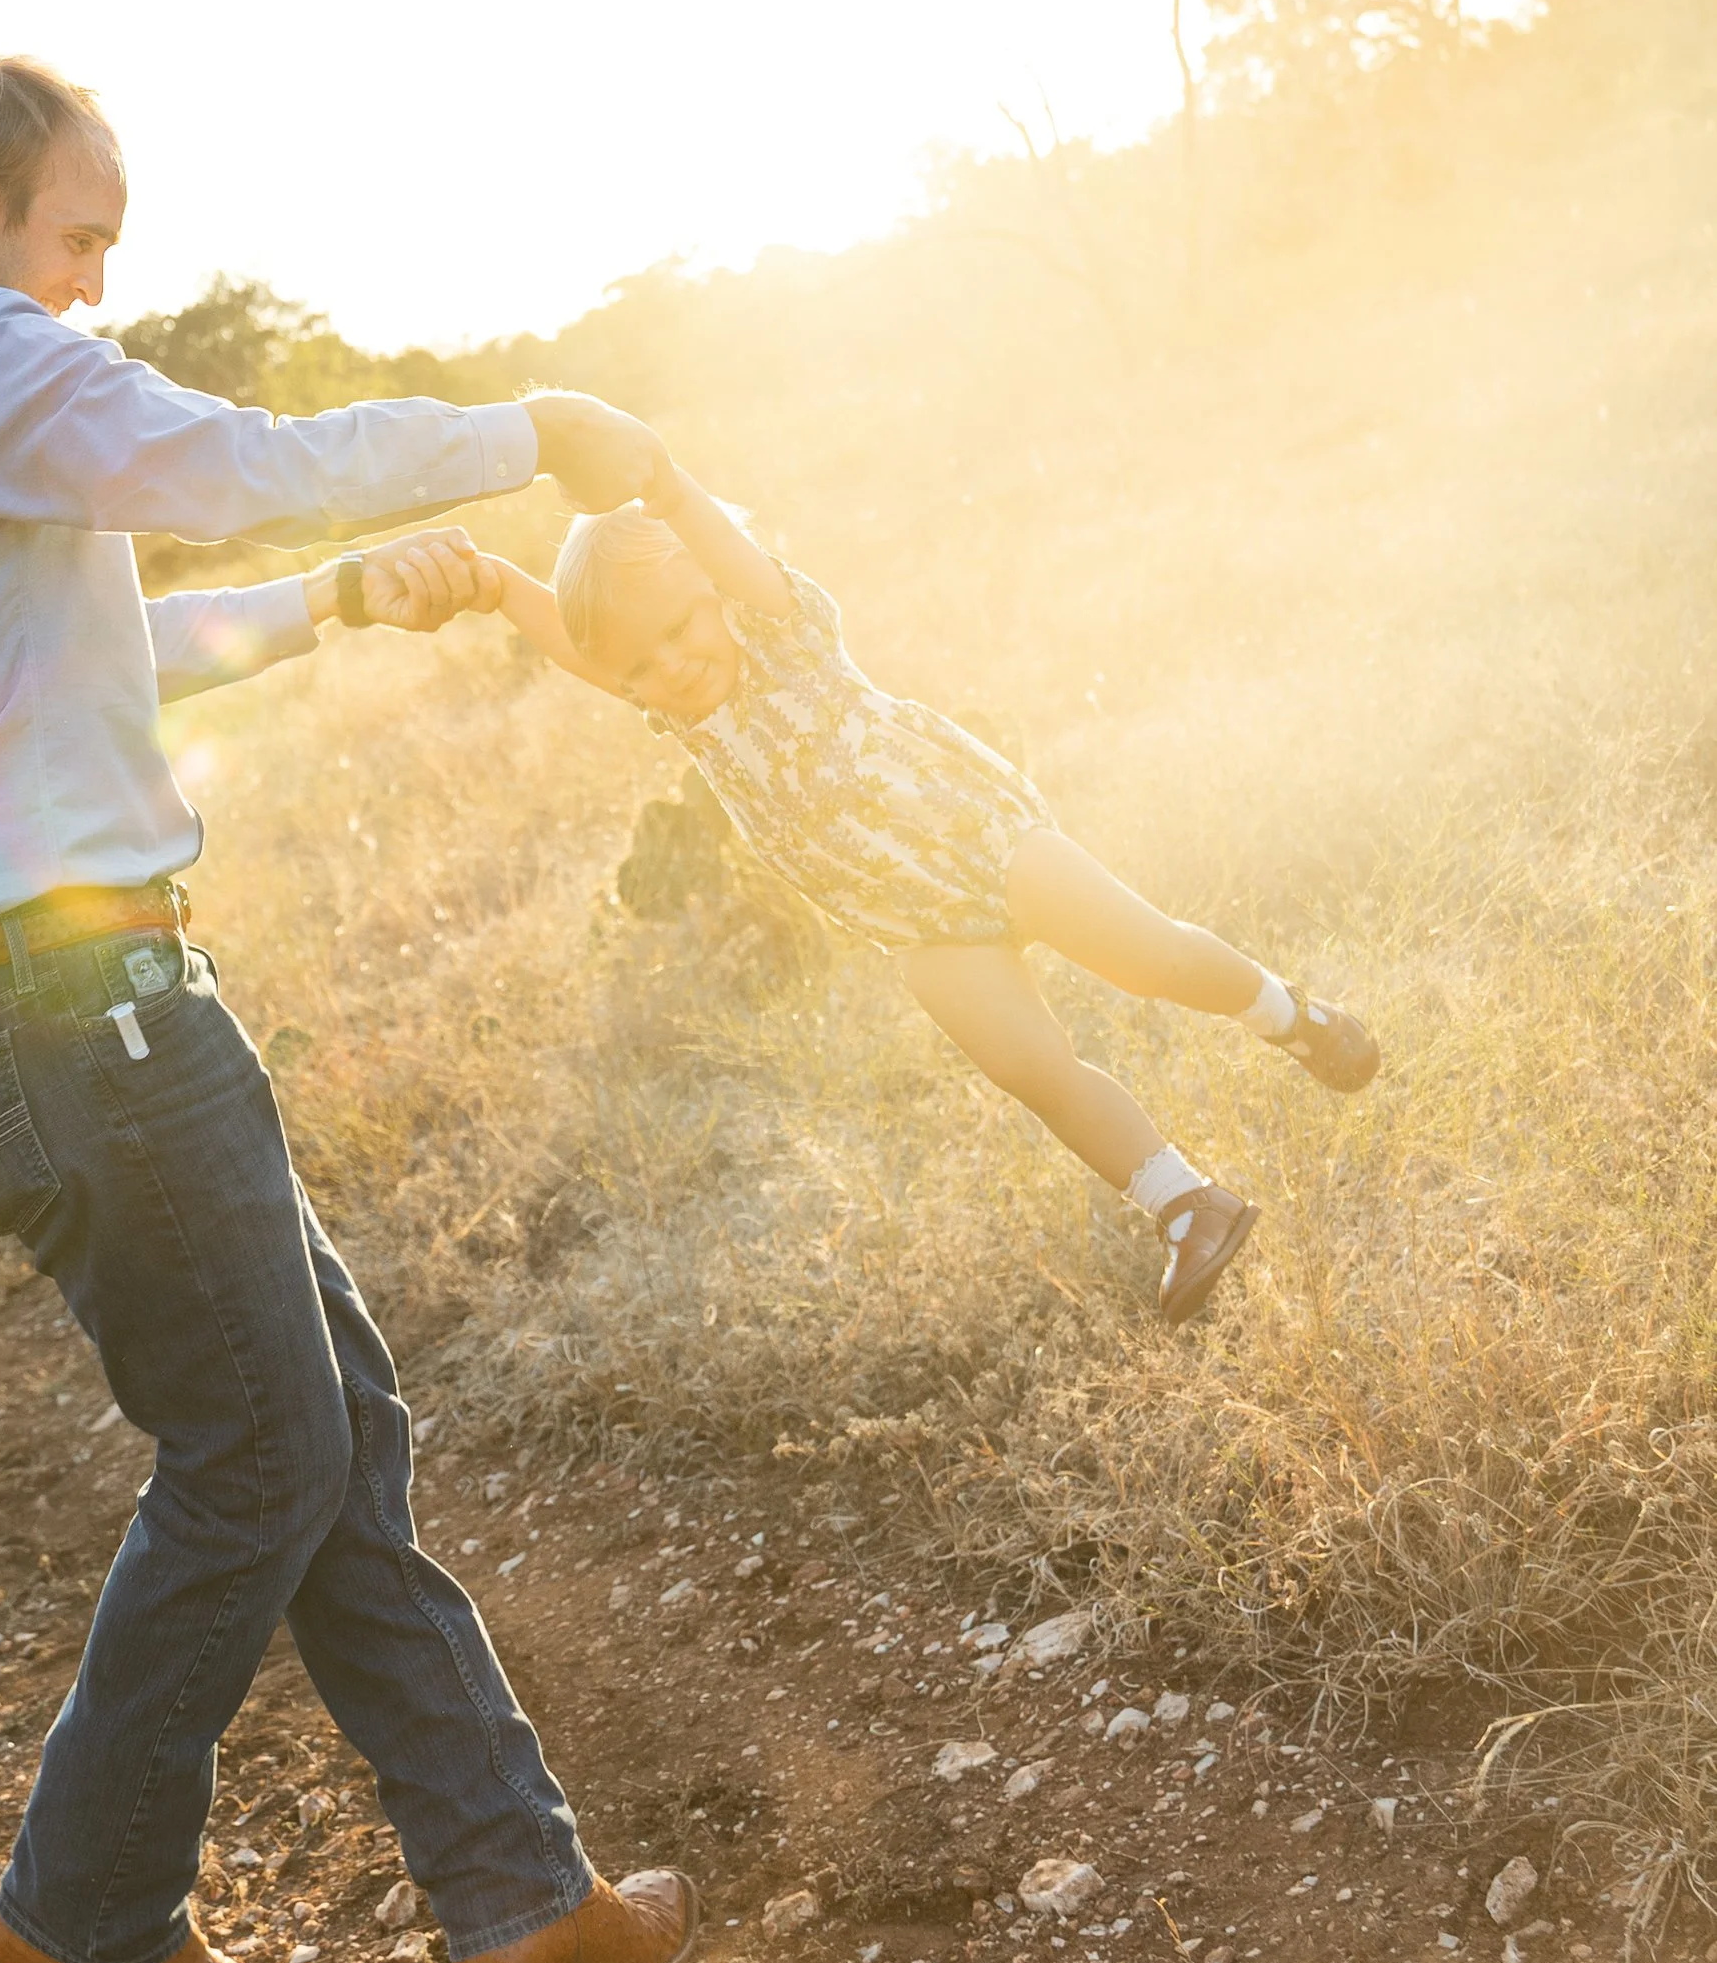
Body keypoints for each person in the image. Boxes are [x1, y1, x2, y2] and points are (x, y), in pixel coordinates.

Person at [0, 57, 698, 1963]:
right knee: (265, 1454)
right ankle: (85, 1916)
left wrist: (339, 599)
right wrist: (532, 427)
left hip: (42, 1008)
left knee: (325, 1427)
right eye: (78, 236)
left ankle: (515, 1892)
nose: (91, 288)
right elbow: (240, 462)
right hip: (74, 1012)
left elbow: (95, 653)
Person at [472, 459, 1379, 1323]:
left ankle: (1289, 1015)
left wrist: (665, 487)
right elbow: (590, 654)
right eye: (642, 667)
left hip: (983, 838)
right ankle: (1187, 1204)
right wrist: (498, 585)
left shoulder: (777, 632)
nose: (667, 667)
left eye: (678, 630)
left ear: (712, 586)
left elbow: (713, 550)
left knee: (1149, 959)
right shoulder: (690, 719)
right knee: (1033, 1070)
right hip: (911, 925)